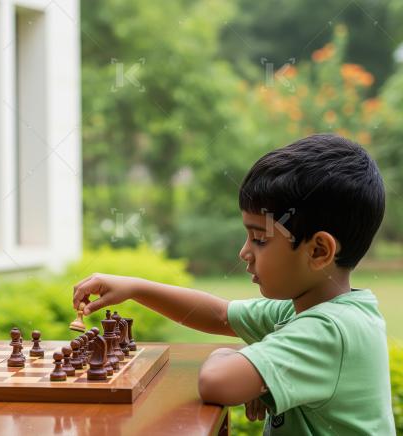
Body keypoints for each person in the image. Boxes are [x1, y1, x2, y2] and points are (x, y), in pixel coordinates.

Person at [73, 134, 394, 435]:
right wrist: (135, 288)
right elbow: (219, 315)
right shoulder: (312, 308)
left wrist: (250, 362)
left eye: (259, 239)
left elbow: (217, 382)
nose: (244, 252)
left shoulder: (329, 331)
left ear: (319, 250)